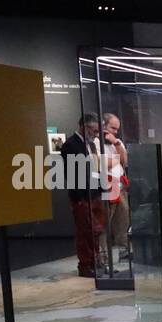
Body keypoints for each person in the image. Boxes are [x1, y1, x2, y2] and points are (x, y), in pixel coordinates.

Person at [61, 113, 105, 277]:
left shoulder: (91, 145)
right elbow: (71, 174)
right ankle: (86, 265)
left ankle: (95, 261)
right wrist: (79, 198)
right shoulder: (70, 145)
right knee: (84, 231)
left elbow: (96, 168)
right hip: (82, 196)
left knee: (95, 231)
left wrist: (100, 190)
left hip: (94, 194)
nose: (95, 134)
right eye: (93, 130)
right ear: (84, 127)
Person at [101, 112, 131, 264]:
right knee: (105, 222)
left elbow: (124, 161)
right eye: (113, 128)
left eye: (117, 129)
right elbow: (101, 164)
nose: (115, 132)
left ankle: (124, 250)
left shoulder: (117, 142)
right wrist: (116, 159)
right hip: (107, 185)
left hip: (120, 185)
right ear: (104, 126)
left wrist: (117, 144)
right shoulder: (95, 143)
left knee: (123, 220)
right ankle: (103, 256)